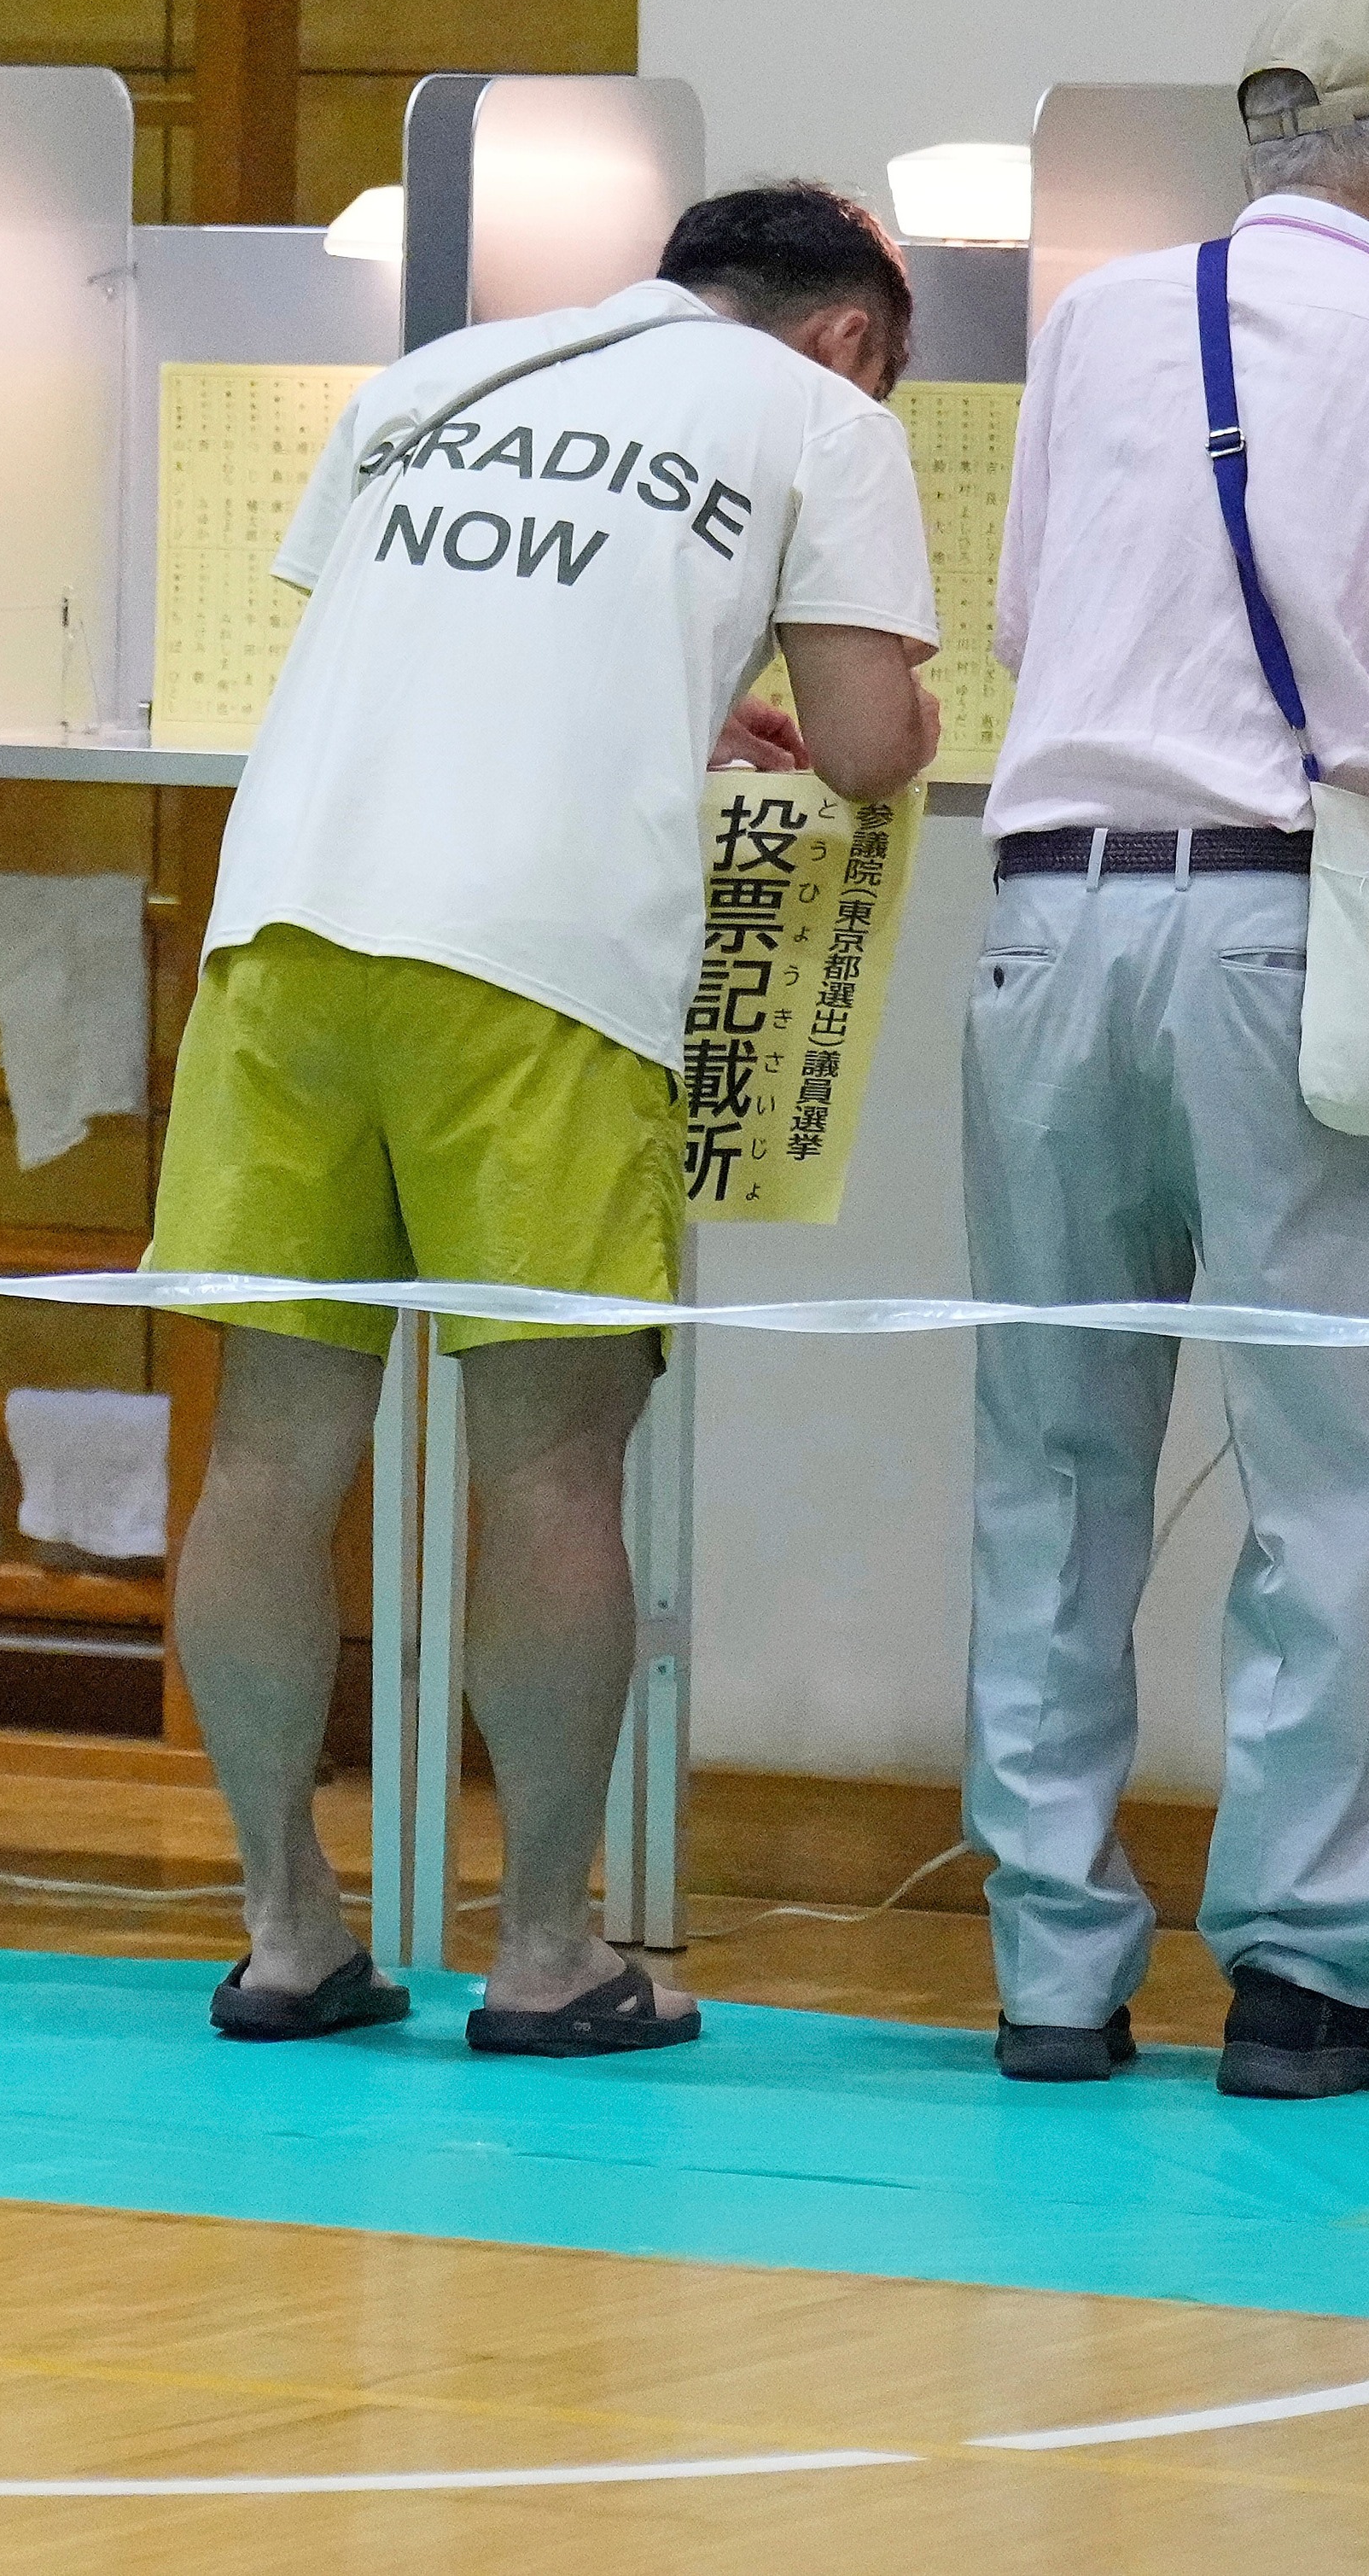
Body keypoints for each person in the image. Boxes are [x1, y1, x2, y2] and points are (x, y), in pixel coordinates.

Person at [148, 184, 946, 2053]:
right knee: (550, 1463)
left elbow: (447, 651)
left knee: (270, 1452)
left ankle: (283, 1928)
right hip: (537, 966)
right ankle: (542, 1946)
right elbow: (860, 739)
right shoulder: (820, 420)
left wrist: (673, 697)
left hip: (278, 935)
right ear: (847, 337)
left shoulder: (432, 376)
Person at [964, 0, 1369, 2101]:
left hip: (1043, 913)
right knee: (1335, 1467)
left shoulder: (1102, 320)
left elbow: (1031, 629)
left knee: (1046, 1454)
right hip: (1288, 922)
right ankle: (1310, 1971)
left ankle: (1049, 1969)